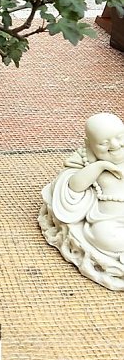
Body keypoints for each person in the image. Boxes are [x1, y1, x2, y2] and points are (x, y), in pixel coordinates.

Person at [40, 112, 124, 290]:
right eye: (104, 143)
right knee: (105, 237)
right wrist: (100, 166)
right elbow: (73, 186)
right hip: (109, 221)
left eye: (119, 137)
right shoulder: (86, 160)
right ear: (90, 145)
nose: (115, 145)